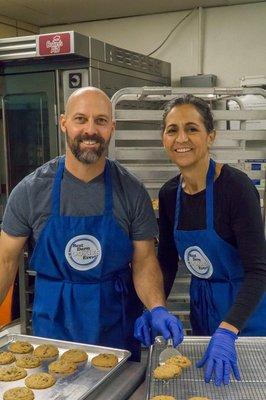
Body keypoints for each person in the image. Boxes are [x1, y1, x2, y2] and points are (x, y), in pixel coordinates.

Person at [0, 87, 183, 361]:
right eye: (80, 119)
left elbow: (144, 261)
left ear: (112, 126)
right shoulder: (31, 190)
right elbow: (5, 261)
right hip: (54, 327)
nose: (90, 130)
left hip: (115, 326)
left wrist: (157, 308)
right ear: (63, 123)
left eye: (100, 120)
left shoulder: (131, 191)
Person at [157, 94, 266, 385]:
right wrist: (154, 307)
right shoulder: (169, 195)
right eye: (172, 129)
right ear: (164, 139)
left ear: (210, 136)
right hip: (203, 311)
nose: (182, 138)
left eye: (192, 128)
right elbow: (166, 262)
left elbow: (258, 272)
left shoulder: (236, 188)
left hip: (247, 315)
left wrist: (229, 330)